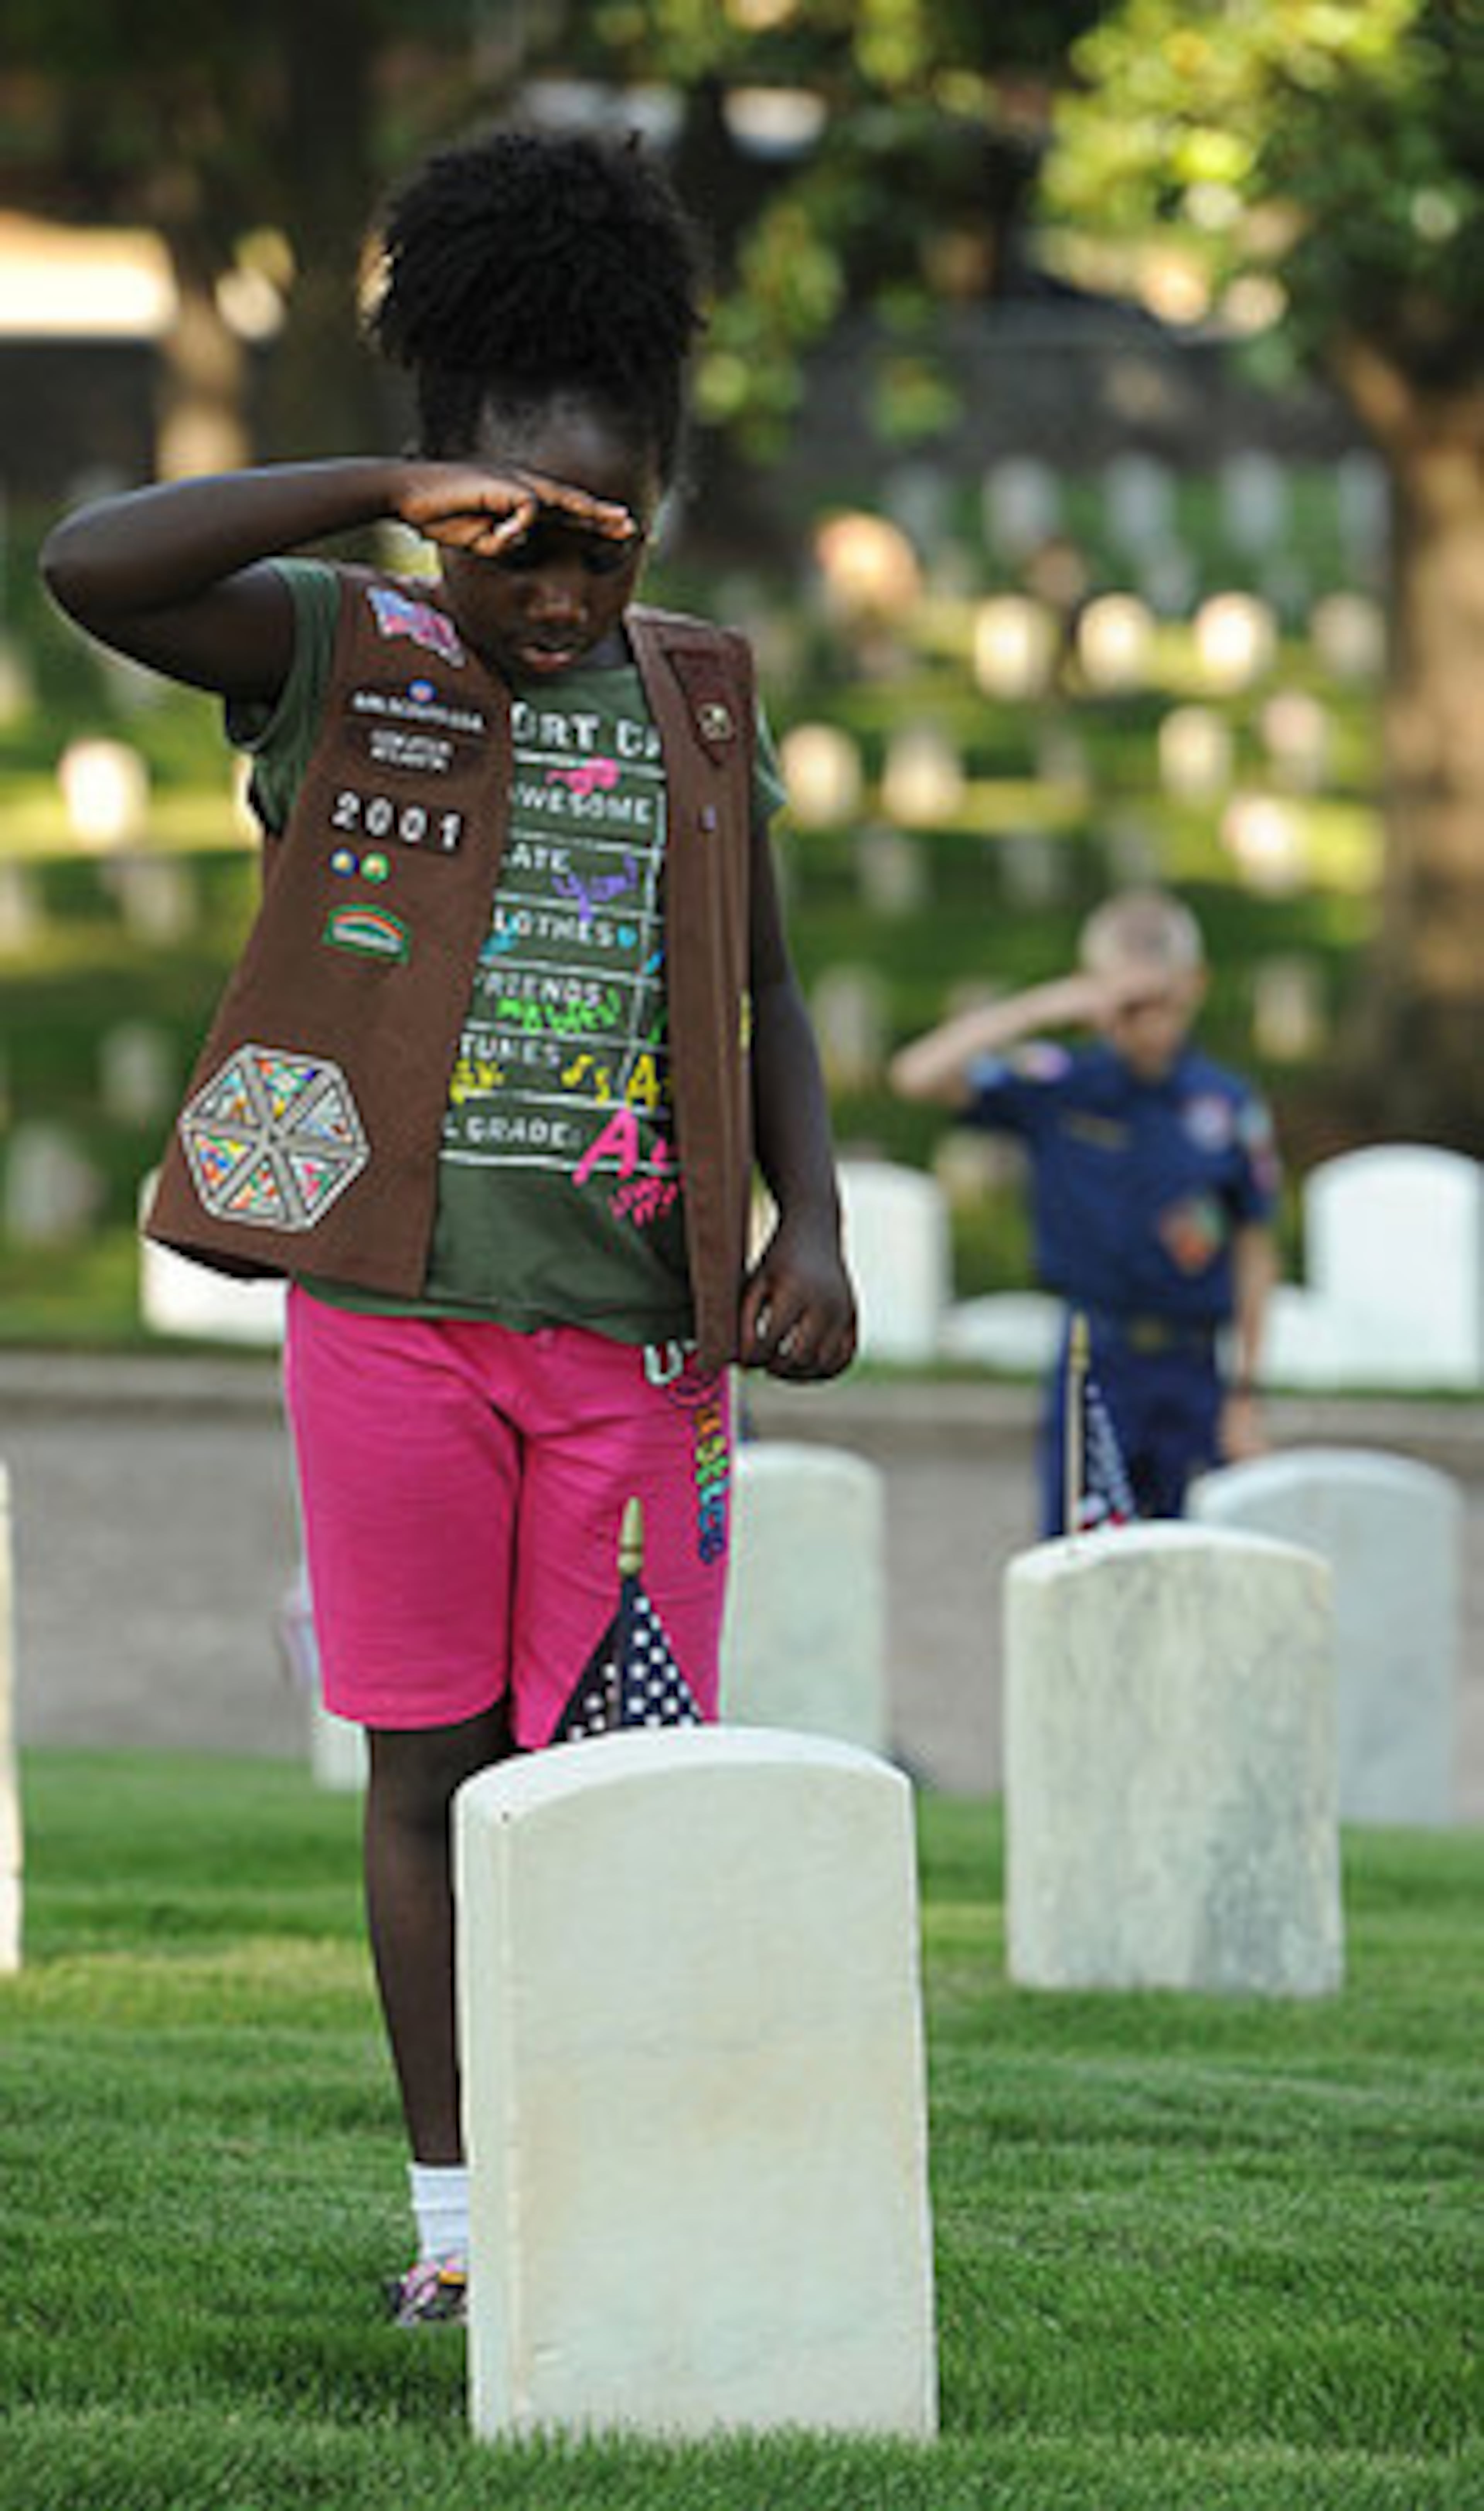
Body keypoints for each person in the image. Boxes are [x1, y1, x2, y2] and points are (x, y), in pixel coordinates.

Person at [41, 126, 856, 2326]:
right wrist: (381, 508)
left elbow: (763, 981)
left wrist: (821, 1225)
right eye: (524, 542)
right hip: (390, 1321)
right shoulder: (337, 642)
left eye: (612, 542)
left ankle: (621, 2195)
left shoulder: (698, 699)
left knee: (620, 1781)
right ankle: (466, 2233)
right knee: (430, 1767)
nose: (568, 595)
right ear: (443, 496)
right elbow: (93, 566)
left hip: (642, 1345)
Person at [890, 887, 1279, 1533]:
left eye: (1162, 998)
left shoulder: (1227, 1104)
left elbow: (1254, 1246)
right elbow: (918, 1074)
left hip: (1194, 1367)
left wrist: (1246, 1393)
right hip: (1096, 1359)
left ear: (1195, 987)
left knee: (1196, 1568)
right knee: (1082, 1558)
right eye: (1127, 1001)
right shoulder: (1059, 1083)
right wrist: (1050, 1005)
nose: (1146, 1020)